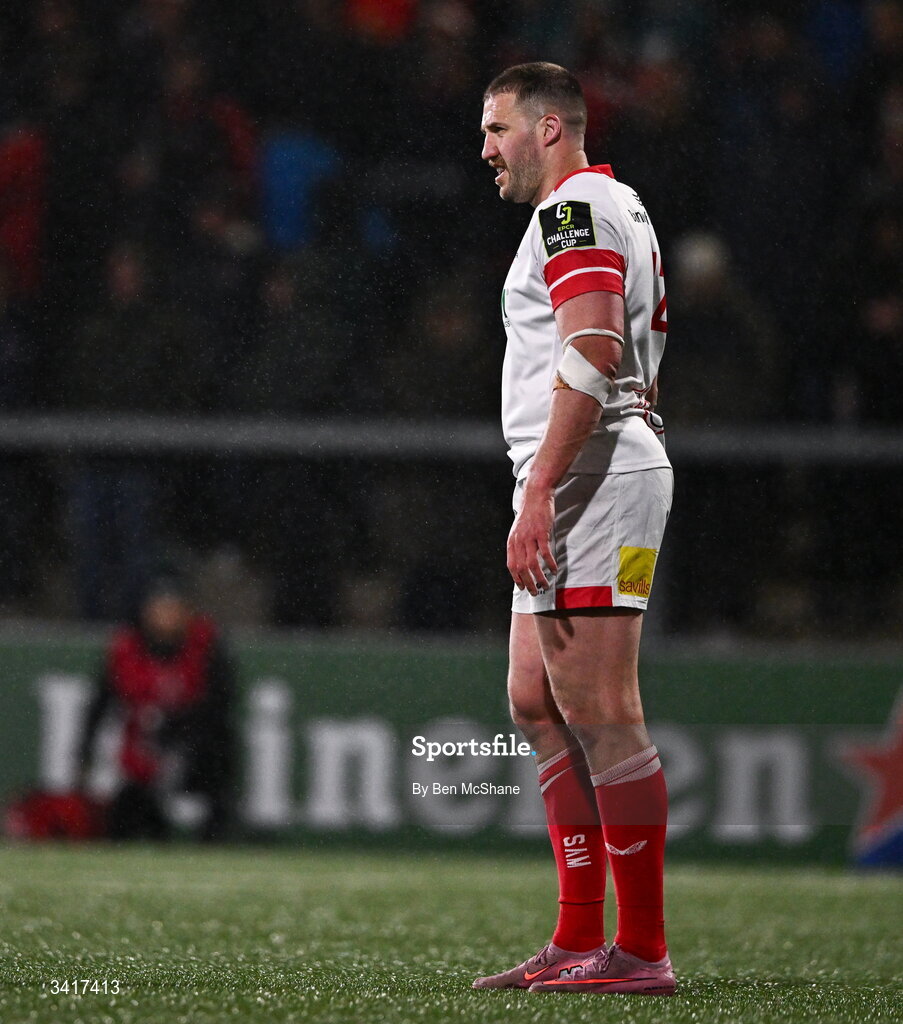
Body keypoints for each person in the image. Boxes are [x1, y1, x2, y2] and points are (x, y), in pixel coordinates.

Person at [472, 63, 675, 996]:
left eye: (497, 129)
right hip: (589, 470)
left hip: (589, 479)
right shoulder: (611, 203)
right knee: (535, 697)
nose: (486, 150)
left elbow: (593, 347)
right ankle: (575, 935)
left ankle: (639, 950)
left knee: (599, 706)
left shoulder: (569, 211)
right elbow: (619, 349)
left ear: (550, 127)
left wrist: (539, 489)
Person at [78, 576, 237, 841]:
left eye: (173, 609)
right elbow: (101, 703)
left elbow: (221, 705)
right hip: (142, 756)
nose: (166, 617)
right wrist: (83, 751)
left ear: (187, 613)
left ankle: (211, 834)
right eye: (159, 609)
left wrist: (178, 730)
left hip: (193, 750)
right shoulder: (125, 648)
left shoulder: (205, 643)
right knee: (123, 818)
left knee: (215, 756)